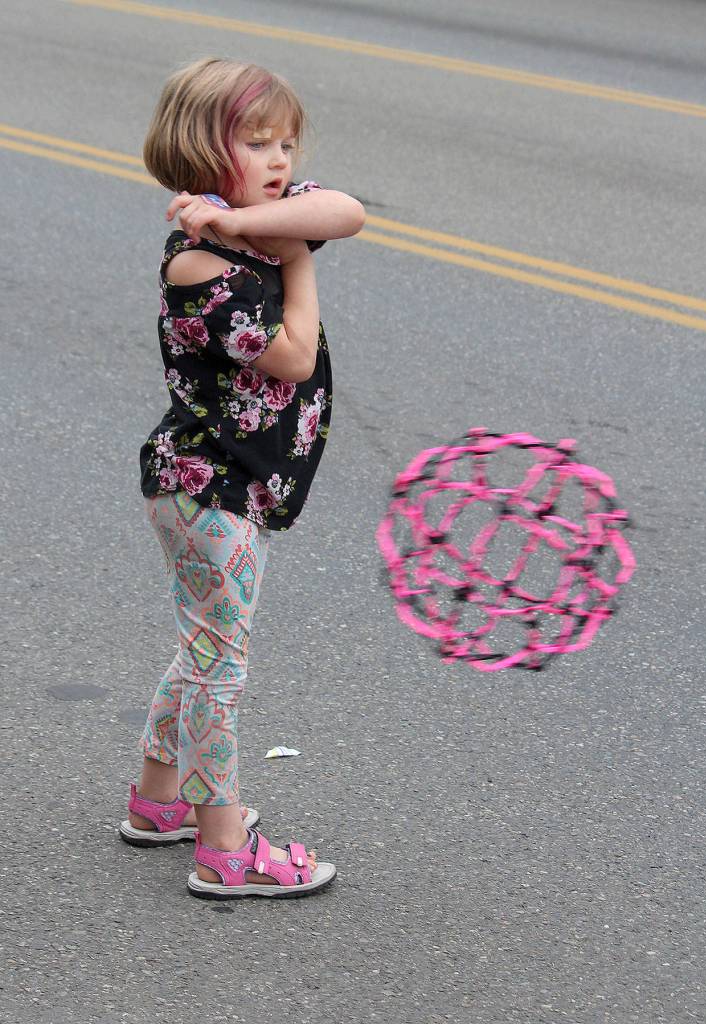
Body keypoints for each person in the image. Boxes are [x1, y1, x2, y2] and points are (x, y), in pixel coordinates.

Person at [117, 57, 365, 899]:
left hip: (228, 484)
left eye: (286, 141)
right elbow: (291, 358)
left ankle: (158, 802)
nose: (280, 157)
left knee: (204, 647)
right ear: (198, 149)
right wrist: (297, 258)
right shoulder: (196, 263)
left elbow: (349, 211)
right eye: (256, 141)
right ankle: (224, 848)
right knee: (221, 664)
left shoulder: (254, 219)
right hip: (203, 488)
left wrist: (270, 223)